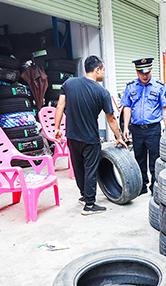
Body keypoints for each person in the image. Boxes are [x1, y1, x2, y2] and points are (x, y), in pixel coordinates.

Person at [54, 55, 126, 215]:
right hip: (90, 138)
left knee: (78, 168)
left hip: (72, 135)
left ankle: (84, 196)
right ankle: (90, 205)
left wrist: (57, 128)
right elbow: (111, 118)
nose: (104, 75)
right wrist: (119, 137)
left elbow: (60, 106)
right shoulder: (102, 92)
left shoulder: (69, 83)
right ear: (97, 69)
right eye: (103, 71)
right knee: (91, 170)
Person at [121, 57, 166, 195]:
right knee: (139, 158)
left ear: (151, 70)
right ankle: (141, 185)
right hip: (136, 130)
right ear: (136, 71)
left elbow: (165, 107)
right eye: (141, 73)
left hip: (153, 129)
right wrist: (125, 127)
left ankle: (155, 187)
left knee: (155, 159)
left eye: (147, 72)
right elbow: (127, 107)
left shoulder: (159, 86)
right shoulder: (130, 87)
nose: (145, 75)